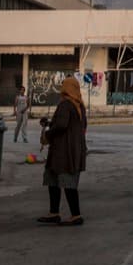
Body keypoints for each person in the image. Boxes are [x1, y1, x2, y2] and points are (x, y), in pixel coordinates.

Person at [38, 76, 88, 226]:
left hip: (64, 150)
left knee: (67, 181)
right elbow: (67, 123)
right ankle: (54, 212)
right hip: (74, 148)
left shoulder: (65, 104)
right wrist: (50, 123)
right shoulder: (79, 106)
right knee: (54, 179)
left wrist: (47, 134)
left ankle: (75, 215)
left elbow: (61, 125)